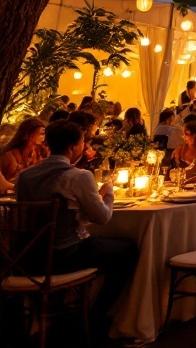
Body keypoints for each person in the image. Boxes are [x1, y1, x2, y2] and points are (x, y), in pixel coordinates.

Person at [15, 120, 137, 341]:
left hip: (27, 258)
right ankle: (96, 317)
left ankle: (60, 315)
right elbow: (102, 218)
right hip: (64, 256)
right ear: (73, 147)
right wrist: (107, 193)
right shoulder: (78, 176)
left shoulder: (26, 176)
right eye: (82, 142)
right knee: (128, 250)